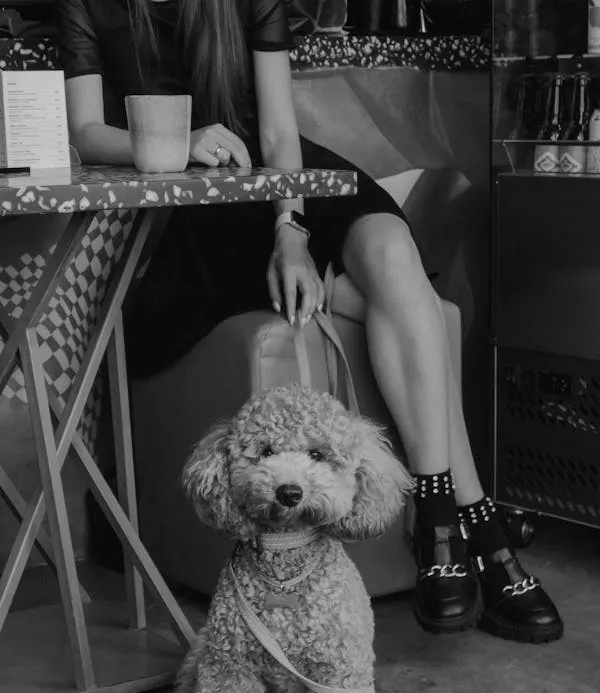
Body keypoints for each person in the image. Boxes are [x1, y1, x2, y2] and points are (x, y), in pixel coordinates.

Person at [57, 0, 563, 644]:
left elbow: (276, 130)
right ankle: (475, 525)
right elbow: (85, 129)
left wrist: (291, 228)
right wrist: (178, 144)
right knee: (428, 315)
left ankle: (436, 511)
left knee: (387, 249)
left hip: (284, 180)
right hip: (201, 199)